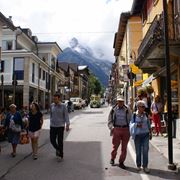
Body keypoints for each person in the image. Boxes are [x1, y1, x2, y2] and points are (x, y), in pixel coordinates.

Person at [108, 96, 131, 169]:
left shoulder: (127, 109)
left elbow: (131, 120)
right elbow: (109, 120)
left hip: (125, 129)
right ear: (117, 102)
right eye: (119, 101)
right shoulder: (113, 110)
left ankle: (121, 162)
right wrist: (112, 128)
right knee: (115, 146)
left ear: (123, 102)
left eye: (122, 101)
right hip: (116, 129)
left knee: (124, 148)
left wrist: (130, 129)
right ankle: (112, 158)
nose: (120, 103)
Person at [129, 100, 152, 173]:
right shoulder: (134, 115)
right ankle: (138, 165)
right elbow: (131, 124)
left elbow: (149, 124)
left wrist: (150, 132)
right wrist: (136, 125)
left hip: (145, 135)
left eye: (144, 106)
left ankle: (145, 166)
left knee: (145, 151)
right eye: (141, 106)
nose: (143, 108)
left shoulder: (146, 114)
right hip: (138, 136)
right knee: (138, 151)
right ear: (138, 107)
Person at [50, 93, 70, 161]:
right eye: (53, 99)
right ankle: (58, 149)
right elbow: (51, 115)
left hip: (60, 126)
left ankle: (61, 155)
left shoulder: (63, 106)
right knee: (52, 140)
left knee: (60, 141)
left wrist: (67, 124)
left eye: (55, 99)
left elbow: (66, 116)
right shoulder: (52, 105)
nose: (54, 100)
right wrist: (51, 121)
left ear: (59, 99)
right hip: (53, 125)